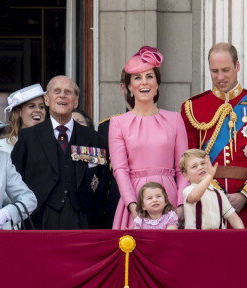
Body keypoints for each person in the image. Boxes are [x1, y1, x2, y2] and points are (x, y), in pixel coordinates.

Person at [11, 75, 109, 230]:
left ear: (76, 101)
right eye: (57, 91)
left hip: (84, 219)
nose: (62, 95)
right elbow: (15, 180)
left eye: (68, 92)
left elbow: (103, 183)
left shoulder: (95, 139)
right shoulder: (28, 138)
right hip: (40, 219)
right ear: (47, 100)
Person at [109, 46, 189, 230]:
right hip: (135, 201)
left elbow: (182, 169)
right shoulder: (117, 123)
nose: (144, 82)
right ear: (129, 86)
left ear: (157, 83)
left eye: (149, 76)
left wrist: (179, 206)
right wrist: (132, 206)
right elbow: (120, 169)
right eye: (137, 77)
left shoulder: (175, 119)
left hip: (169, 199)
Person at [180, 42, 247, 225]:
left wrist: (244, 195)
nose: (220, 77)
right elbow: (188, 159)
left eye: (226, 70)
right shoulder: (193, 108)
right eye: (214, 71)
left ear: (237, 66)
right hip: (208, 199)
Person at [97, 68, 131, 228]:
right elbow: (102, 178)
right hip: (117, 205)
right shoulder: (106, 127)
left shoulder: (166, 123)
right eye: (131, 83)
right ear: (123, 87)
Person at [179, 149, 244, 229]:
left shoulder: (219, 193)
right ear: (186, 176)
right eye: (194, 166)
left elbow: (233, 217)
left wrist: (243, 235)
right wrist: (209, 176)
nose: (200, 168)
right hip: (196, 239)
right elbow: (194, 197)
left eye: (203, 163)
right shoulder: (188, 190)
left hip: (219, 238)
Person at [0, 83, 47, 153]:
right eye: (31, 106)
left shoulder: (51, 142)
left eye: (41, 107)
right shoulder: (2, 146)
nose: (38, 110)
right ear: (19, 112)